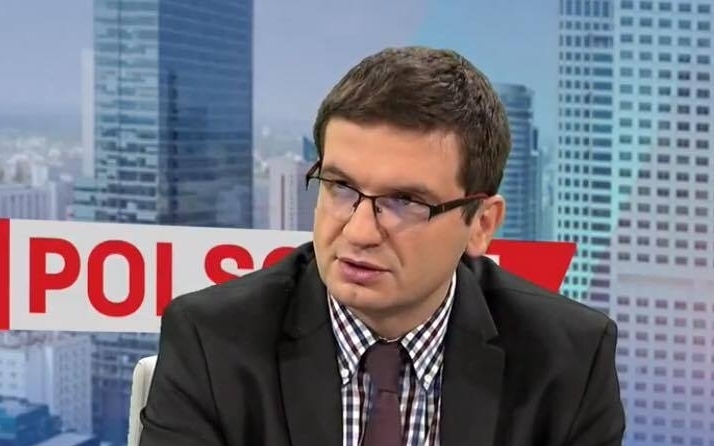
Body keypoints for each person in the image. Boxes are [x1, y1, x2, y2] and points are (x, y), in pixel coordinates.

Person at [139, 46, 625, 446]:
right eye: (340, 187)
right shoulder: (213, 342)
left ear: (481, 223)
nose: (358, 232)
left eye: (404, 201)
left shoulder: (568, 361)